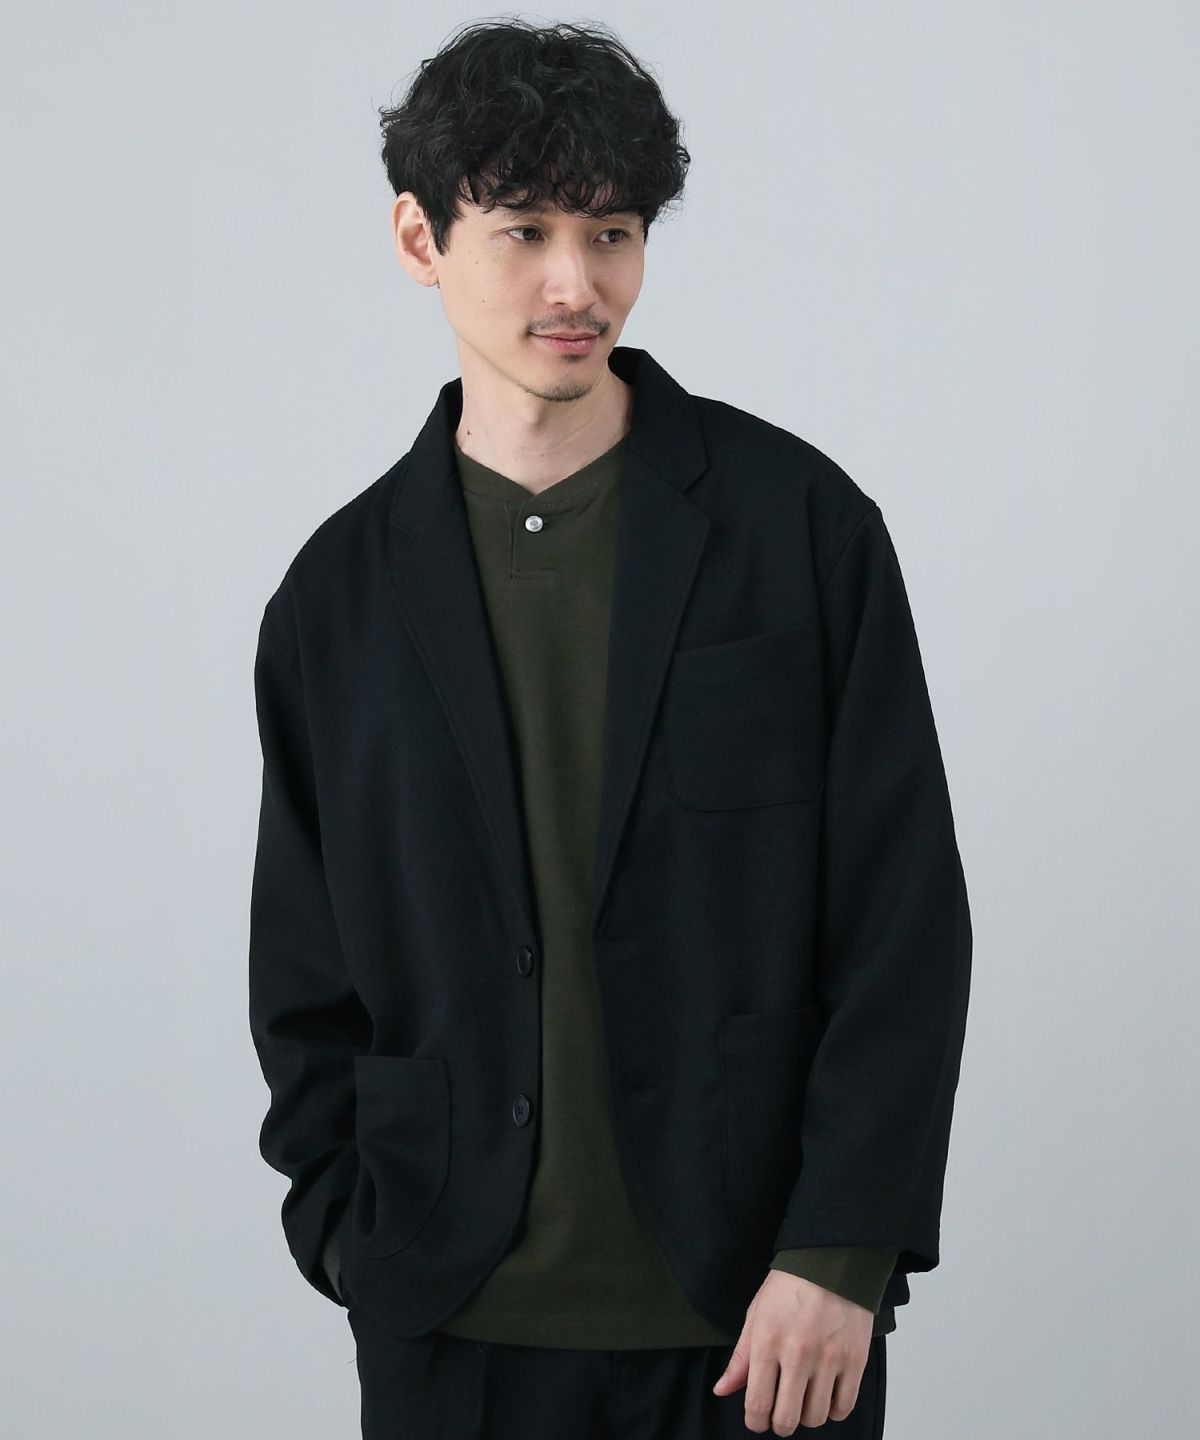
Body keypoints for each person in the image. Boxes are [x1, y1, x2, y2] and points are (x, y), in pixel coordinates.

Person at [247, 18, 972, 1439]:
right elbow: (303, 971)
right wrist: (349, 1233)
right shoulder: (336, 598)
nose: (576, 284)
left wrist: (843, 1249)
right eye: (523, 229)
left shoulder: (799, 530)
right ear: (419, 238)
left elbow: (903, 915)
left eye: (612, 232)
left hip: (760, 1325)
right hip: (452, 1326)